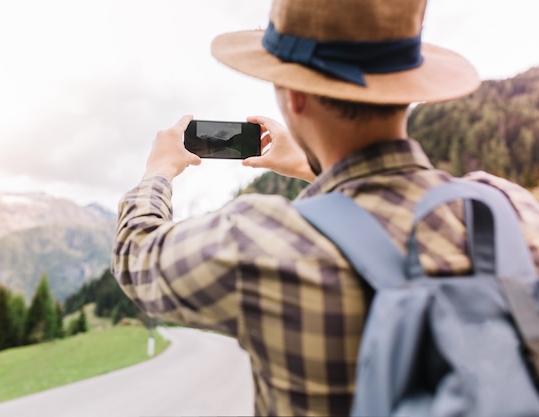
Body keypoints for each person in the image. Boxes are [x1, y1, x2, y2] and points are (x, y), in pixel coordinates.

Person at [111, 0, 539, 415]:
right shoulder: (507, 209)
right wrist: (309, 165)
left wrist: (159, 171)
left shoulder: (261, 242)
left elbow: (136, 256)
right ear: (407, 88)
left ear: (294, 96)